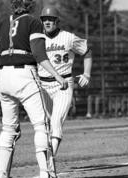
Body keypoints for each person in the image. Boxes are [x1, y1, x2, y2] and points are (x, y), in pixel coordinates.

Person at [0, 0, 68, 178]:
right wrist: (58, 76)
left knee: (8, 129)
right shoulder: (32, 22)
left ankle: (1, 175)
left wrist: (0, 73)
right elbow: (38, 53)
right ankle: (46, 174)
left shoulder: (4, 23)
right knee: (41, 126)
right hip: (25, 75)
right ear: (31, 6)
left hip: (5, 77)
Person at [38, 4, 92, 173]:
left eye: (50, 19)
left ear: (57, 21)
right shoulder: (37, 39)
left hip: (63, 84)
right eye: (44, 19)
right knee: (44, 126)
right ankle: (48, 162)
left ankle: (49, 161)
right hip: (43, 86)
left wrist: (87, 73)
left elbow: (87, 51)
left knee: (56, 122)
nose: (47, 22)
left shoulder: (68, 37)